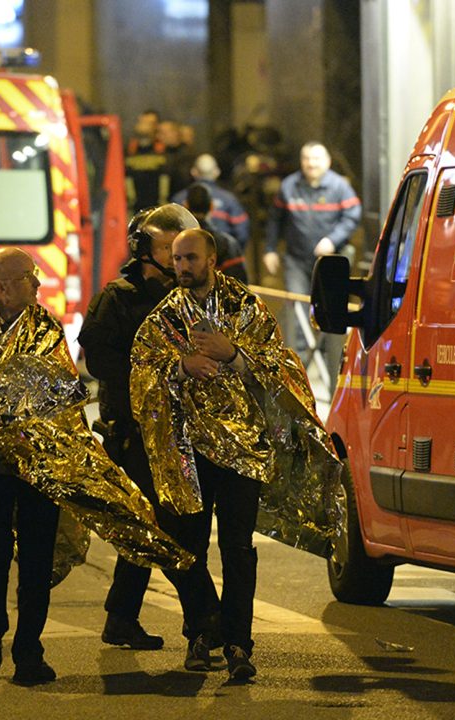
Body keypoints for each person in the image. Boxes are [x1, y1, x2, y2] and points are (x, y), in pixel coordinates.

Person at [0, 248, 191, 687]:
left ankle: (29, 651)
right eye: (29, 276)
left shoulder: (45, 326)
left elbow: (63, 385)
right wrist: (4, 401)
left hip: (44, 463)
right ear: (3, 288)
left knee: (37, 559)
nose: (38, 283)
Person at [131, 228, 344, 682]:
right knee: (187, 547)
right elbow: (141, 371)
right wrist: (180, 367)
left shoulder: (246, 308)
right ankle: (200, 633)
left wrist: (234, 355)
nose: (182, 266)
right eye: (177, 259)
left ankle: (238, 645)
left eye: (190, 258)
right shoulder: (165, 317)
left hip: (244, 451)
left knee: (238, 551)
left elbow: (282, 368)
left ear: (212, 260)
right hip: (187, 450)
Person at [79, 204, 221, 653]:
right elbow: (99, 361)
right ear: (146, 250)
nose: (179, 258)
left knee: (147, 525)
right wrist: (159, 370)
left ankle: (121, 618)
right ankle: (207, 622)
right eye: (169, 249)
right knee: (172, 526)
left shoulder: (185, 297)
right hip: (136, 432)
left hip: (184, 430)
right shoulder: (118, 298)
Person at [263, 142, 362, 363]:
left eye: (316, 159)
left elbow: (353, 215)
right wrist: (270, 249)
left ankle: (330, 364)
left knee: (330, 312)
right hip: (296, 260)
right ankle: (298, 366)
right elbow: (274, 220)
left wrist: (332, 240)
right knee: (298, 310)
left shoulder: (339, 187)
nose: (311, 164)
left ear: (327, 162)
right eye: (306, 159)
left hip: (329, 262)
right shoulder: (289, 186)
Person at [172, 154, 251, 248]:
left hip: (186, 252)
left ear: (194, 172)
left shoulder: (178, 199)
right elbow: (242, 233)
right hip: (221, 252)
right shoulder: (229, 200)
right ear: (216, 172)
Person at [183, 183, 247, 283]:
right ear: (212, 206)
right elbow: (239, 284)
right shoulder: (227, 244)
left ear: (185, 206)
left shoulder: (175, 243)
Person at [125, 109, 167, 212]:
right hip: (135, 208)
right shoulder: (129, 149)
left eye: (149, 123)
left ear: (156, 126)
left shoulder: (164, 149)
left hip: (159, 207)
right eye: (142, 122)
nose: (145, 126)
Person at [159, 119, 195, 200]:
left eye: (163, 133)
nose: (159, 137)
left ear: (175, 133)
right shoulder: (160, 155)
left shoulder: (188, 154)